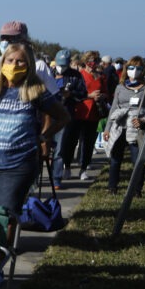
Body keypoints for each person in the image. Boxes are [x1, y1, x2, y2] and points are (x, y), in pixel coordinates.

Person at [0, 43, 69, 283]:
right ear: (2, 63)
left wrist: (43, 137)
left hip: (18, 164)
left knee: (8, 215)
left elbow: (63, 116)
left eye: (20, 62)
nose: (14, 66)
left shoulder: (36, 91)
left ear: (28, 65)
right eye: (10, 61)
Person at [104, 55, 145, 196]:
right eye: (131, 68)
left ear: (143, 70)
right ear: (126, 69)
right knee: (115, 159)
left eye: (138, 68)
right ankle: (112, 187)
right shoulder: (120, 87)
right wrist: (107, 128)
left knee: (137, 160)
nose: (134, 71)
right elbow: (114, 108)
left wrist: (143, 119)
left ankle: (136, 189)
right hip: (120, 126)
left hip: (137, 128)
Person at [0, 20, 59, 95]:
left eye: (10, 38)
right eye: (2, 38)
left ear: (23, 40)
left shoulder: (39, 66)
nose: (5, 42)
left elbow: (54, 96)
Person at [51, 49, 90, 189]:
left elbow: (83, 94)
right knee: (41, 147)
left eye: (64, 65)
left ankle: (56, 178)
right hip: (47, 115)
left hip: (65, 116)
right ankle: (36, 179)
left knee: (60, 149)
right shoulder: (49, 73)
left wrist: (70, 94)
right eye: (59, 64)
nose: (61, 68)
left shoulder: (76, 76)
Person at [77, 50, 110, 180]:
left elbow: (107, 93)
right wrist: (89, 96)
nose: (93, 63)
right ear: (85, 61)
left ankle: (84, 167)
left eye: (95, 61)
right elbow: (76, 94)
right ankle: (68, 164)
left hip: (95, 113)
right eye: (90, 60)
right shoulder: (80, 75)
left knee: (89, 142)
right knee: (76, 140)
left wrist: (102, 96)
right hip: (80, 112)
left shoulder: (101, 77)